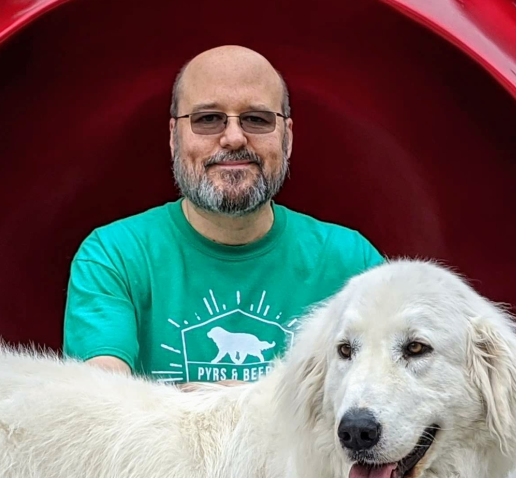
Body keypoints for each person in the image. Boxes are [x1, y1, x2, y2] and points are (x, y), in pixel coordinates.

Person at [63, 45, 384, 387]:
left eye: (256, 119)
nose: (233, 137)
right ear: (174, 137)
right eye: (208, 119)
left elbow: (391, 391)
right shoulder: (114, 256)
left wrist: (228, 407)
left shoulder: (351, 262)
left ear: (287, 138)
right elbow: (99, 403)